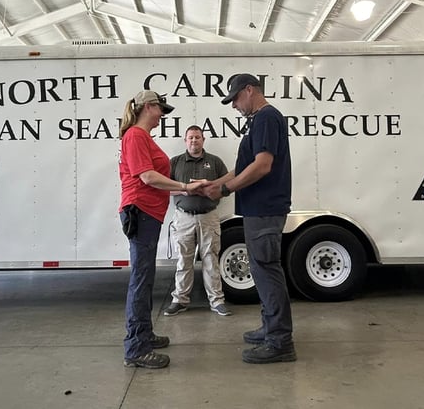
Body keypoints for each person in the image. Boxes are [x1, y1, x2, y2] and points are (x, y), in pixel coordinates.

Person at [204, 73, 296, 364]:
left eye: (234, 100)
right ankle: (270, 327)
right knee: (260, 270)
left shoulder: (268, 117)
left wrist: (225, 189)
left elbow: (263, 166)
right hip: (257, 209)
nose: (233, 106)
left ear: (248, 90)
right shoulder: (257, 121)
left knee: (267, 272)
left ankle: (280, 342)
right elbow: (243, 167)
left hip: (266, 208)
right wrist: (214, 185)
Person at [118, 89, 204, 369]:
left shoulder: (142, 137)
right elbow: (147, 176)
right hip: (140, 212)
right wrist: (184, 187)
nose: (162, 116)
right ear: (148, 107)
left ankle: (144, 335)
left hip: (147, 214)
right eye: (160, 110)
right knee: (141, 280)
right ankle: (136, 348)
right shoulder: (135, 136)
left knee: (146, 277)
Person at [164, 125, 232, 317]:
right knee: (184, 261)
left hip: (209, 216)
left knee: (211, 259)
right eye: (190, 138)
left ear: (203, 140)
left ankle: (217, 301)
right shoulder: (175, 162)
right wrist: (185, 189)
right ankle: (180, 300)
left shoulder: (215, 162)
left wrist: (208, 189)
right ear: (185, 140)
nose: (194, 141)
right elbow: (163, 188)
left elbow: (226, 186)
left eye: (197, 137)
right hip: (183, 217)